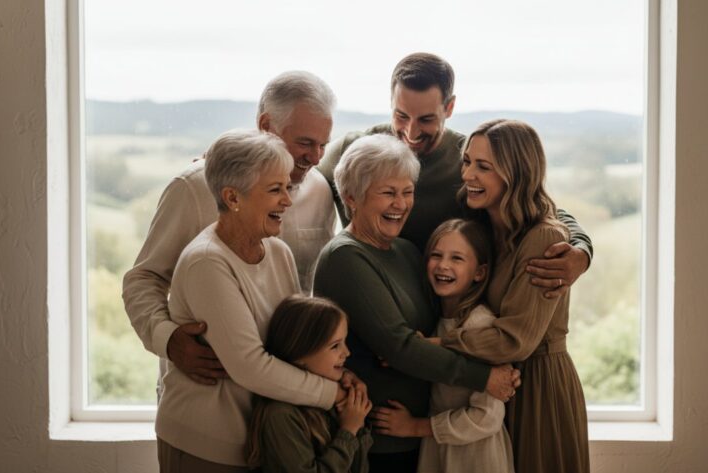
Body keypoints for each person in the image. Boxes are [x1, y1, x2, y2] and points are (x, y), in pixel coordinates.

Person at [313, 134, 520, 473]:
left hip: (426, 437)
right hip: (381, 436)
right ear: (352, 197)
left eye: (407, 192)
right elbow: (400, 346)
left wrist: (414, 347)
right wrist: (484, 378)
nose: (401, 204)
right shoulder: (344, 257)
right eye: (387, 192)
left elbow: (425, 334)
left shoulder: (407, 251)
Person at [123, 71, 339, 388]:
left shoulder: (320, 189)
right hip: (206, 393)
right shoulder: (195, 187)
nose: (315, 156)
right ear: (267, 126)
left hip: (284, 397)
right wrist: (167, 339)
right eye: (304, 143)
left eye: (323, 145)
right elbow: (144, 278)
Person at [318, 52, 593, 297]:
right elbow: (296, 181)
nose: (411, 133)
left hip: (449, 308)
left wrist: (582, 251)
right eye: (401, 116)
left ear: (449, 108)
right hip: (368, 296)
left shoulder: (469, 160)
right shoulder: (352, 151)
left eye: (426, 119)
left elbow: (537, 203)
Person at [156, 130, 345, 472]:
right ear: (232, 197)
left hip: (258, 443)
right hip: (205, 445)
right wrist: (334, 395)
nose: (287, 200)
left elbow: (292, 341)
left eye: (287, 187)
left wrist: (341, 374)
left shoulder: (277, 251)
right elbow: (251, 366)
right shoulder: (207, 262)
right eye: (275, 190)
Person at [443, 119, 590, 473]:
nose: (468, 175)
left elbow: (515, 341)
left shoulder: (542, 237)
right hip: (494, 387)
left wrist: (432, 345)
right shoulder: (480, 220)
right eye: (467, 162)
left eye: (484, 167)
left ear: (516, 174)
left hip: (537, 387)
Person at [371, 218, 514, 473]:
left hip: (474, 455)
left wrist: (414, 427)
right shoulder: (436, 320)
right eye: (436, 255)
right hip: (439, 449)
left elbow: (488, 417)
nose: (443, 265)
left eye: (457, 258)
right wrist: (404, 357)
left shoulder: (480, 325)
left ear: (479, 272)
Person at [247, 295, 373, 473]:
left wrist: (357, 424)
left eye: (344, 342)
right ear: (300, 355)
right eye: (335, 346)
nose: (347, 352)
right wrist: (349, 430)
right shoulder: (280, 415)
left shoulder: (337, 398)